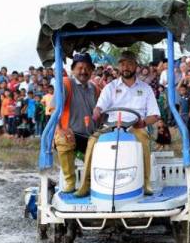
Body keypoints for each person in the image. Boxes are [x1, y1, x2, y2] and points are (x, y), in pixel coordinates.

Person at [75, 51, 160, 197]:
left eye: (129, 64)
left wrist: (143, 122)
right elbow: (100, 107)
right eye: (122, 64)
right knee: (93, 140)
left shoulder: (145, 89)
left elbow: (155, 115)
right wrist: (96, 113)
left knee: (144, 139)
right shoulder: (110, 87)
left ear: (136, 67)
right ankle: (85, 185)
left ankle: (145, 183)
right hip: (112, 125)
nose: (125, 67)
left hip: (135, 126)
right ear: (119, 67)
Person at [54, 53, 98, 193]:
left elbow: (104, 113)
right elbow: (54, 109)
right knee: (62, 138)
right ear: (73, 69)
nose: (83, 71)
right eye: (80, 68)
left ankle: (90, 185)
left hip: (91, 136)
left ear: (92, 70)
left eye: (87, 68)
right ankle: (70, 181)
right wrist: (60, 129)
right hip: (71, 133)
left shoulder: (95, 89)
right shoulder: (66, 84)